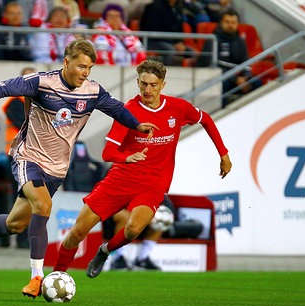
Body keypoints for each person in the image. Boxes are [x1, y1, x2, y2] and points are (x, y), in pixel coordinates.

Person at [0, 39, 158, 298]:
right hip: (28, 158)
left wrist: (137, 125)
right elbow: (2, 88)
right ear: (66, 62)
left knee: (15, 224)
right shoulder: (41, 82)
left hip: (57, 169)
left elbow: (117, 110)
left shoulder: (92, 91)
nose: (85, 72)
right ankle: (37, 277)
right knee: (44, 206)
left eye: (89, 68)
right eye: (81, 66)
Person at [52, 59, 232, 278]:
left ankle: (105, 251)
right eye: (143, 84)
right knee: (77, 232)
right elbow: (108, 153)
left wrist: (223, 154)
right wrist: (127, 157)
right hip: (120, 179)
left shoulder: (178, 108)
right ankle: (57, 275)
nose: (147, 89)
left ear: (162, 85)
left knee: (133, 229)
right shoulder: (128, 111)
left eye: (153, 85)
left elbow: (206, 120)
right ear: (137, 82)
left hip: (153, 183)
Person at [0, 66, 36, 249]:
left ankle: (22, 237)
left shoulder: (37, 102)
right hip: (17, 156)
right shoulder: (14, 102)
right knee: (19, 197)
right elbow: (26, 125)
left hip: (33, 157)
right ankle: (13, 237)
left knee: (28, 197)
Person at [196, 9, 262, 106]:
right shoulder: (213, 40)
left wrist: (246, 77)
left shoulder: (240, 40)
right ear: (221, 23)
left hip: (235, 78)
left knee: (256, 82)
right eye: (227, 22)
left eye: (233, 22)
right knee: (223, 84)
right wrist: (235, 79)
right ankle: (222, 113)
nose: (230, 25)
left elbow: (245, 62)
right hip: (217, 77)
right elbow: (212, 65)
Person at [109, 194, 175, 270]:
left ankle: (143, 258)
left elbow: (166, 206)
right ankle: (118, 257)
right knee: (125, 216)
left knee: (160, 218)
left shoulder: (152, 187)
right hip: (116, 211)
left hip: (139, 214)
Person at [139, 0, 196, 66]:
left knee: (191, 52)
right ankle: (164, 74)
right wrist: (173, 44)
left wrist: (180, 42)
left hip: (171, 42)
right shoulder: (154, 7)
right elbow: (153, 30)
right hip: (152, 41)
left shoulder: (178, 7)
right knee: (169, 50)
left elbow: (179, 29)